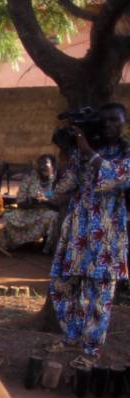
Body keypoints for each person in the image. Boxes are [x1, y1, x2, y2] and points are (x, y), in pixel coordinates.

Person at [48, 103, 129, 366]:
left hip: (106, 237)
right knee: (61, 286)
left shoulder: (125, 153)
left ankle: (91, 351)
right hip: (77, 234)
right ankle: (72, 337)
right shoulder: (87, 152)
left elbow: (118, 177)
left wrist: (87, 151)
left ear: (124, 123)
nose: (108, 125)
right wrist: (68, 152)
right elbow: (62, 188)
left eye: (114, 121)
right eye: (104, 121)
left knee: (99, 298)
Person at [1, 154, 61, 250]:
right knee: (6, 217)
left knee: (53, 216)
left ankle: (46, 246)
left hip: (46, 212)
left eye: (45, 164)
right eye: (40, 165)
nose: (42, 167)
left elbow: (59, 205)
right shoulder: (29, 178)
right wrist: (31, 202)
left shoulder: (58, 181)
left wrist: (45, 201)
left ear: (53, 167)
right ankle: (21, 244)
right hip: (29, 211)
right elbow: (20, 202)